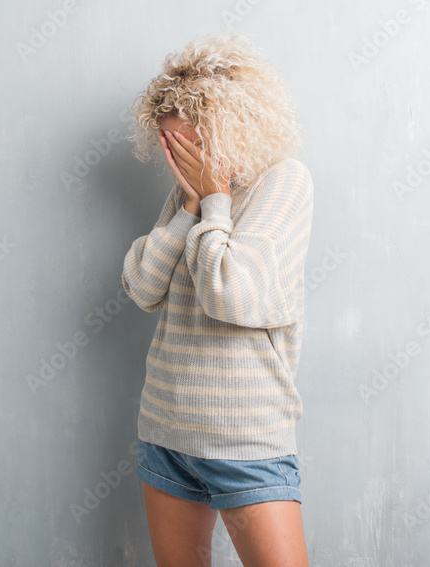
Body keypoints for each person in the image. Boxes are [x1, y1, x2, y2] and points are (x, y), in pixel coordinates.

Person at [121, 31, 314, 566]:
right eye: (169, 148)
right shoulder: (189, 196)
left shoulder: (284, 182)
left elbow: (229, 292)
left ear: (231, 128)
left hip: (245, 438)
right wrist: (192, 206)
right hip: (166, 429)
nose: (178, 160)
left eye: (189, 146)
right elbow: (142, 287)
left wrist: (216, 200)